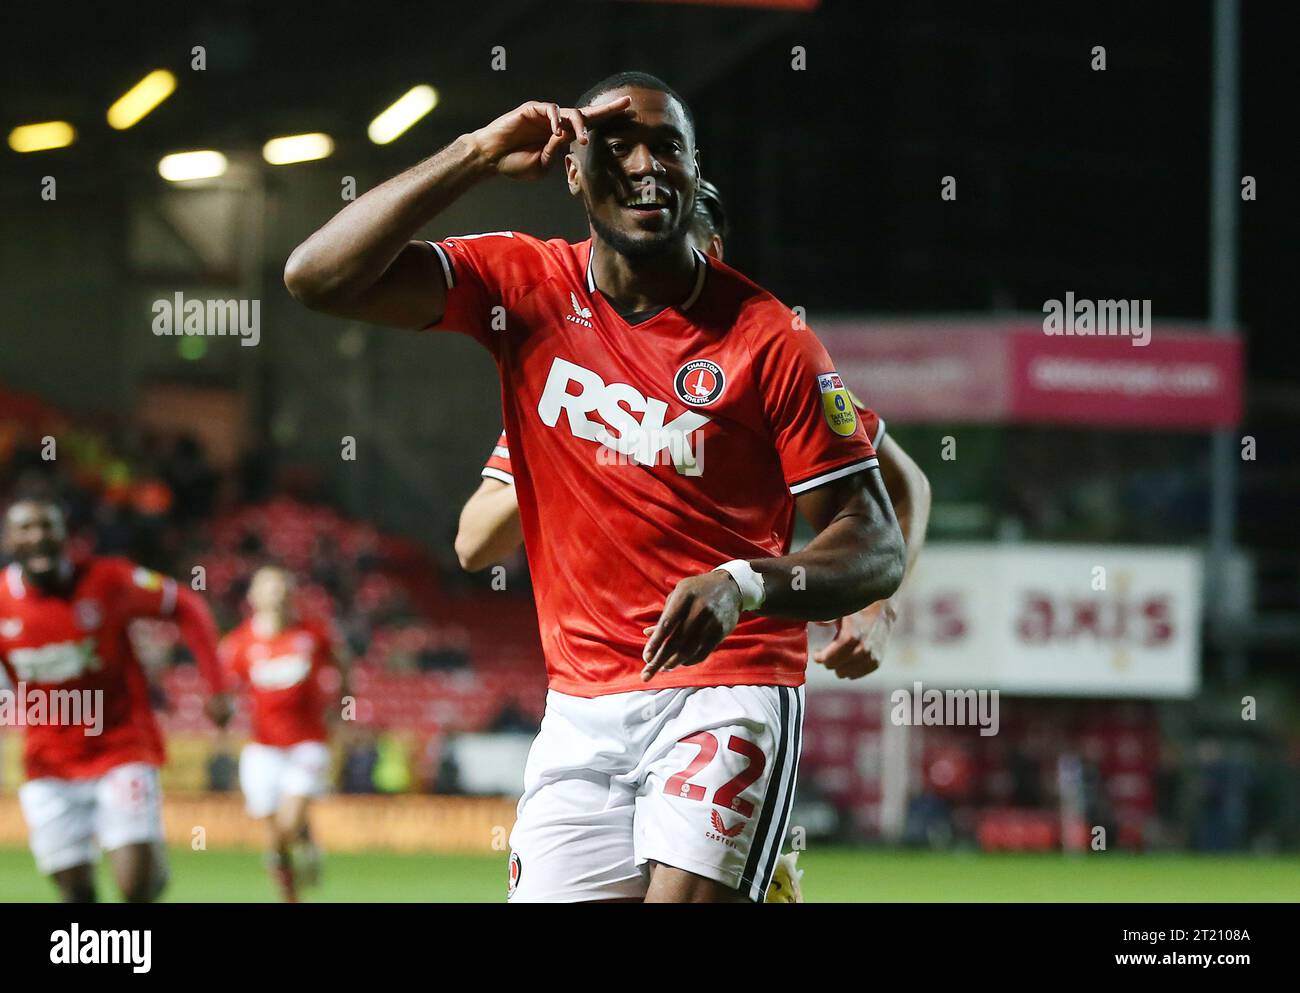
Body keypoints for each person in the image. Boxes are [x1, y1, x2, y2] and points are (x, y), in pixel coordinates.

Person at [284, 71, 907, 903]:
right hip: (582, 704)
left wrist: (744, 582)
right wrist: (473, 154)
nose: (647, 163)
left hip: (728, 685)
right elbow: (316, 277)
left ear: (694, 172)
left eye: (669, 146)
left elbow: (876, 538)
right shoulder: (522, 285)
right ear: (572, 171)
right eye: (617, 145)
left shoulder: (771, 339)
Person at [0, 498, 231, 902]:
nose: (37, 537)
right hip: (49, 762)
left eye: (46, 527)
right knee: (76, 894)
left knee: (134, 888)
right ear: (9, 540)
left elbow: (186, 604)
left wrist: (217, 685)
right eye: (25, 529)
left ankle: (147, 880)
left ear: (64, 536)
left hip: (121, 748)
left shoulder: (109, 581)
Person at [220, 565, 349, 902]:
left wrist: (342, 706)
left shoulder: (312, 635)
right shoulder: (239, 643)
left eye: (281, 588)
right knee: (275, 837)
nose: (276, 595)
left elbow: (342, 664)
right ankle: (290, 891)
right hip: (262, 747)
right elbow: (223, 689)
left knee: (287, 824)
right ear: (253, 596)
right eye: (268, 588)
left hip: (307, 743)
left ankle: (302, 839)